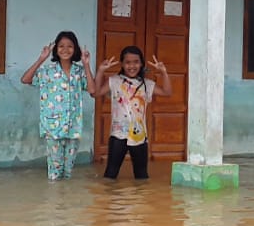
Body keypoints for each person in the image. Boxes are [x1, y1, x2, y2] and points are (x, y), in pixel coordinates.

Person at [21, 31, 94, 180]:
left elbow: (92, 89)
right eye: (61, 46)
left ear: (75, 49)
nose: (65, 49)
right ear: (56, 49)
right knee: (54, 171)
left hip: (73, 127)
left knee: (68, 172)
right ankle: (54, 201)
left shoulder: (79, 72)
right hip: (53, 127)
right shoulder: (47, 72)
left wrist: (86, 64)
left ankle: (64, 201)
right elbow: (26, 79)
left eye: (70, 46)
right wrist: (41, 58)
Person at [94, 45, 171, 179]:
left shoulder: (147, 84)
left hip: (140, 136)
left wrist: (163, 72)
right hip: (118, 134)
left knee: (142, 176)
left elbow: (167, 92)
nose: (132, 66)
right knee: (110, 174)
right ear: (122, 64)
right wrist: (101, 70)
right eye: (128, 62)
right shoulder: (114, 81)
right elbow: (96, 93)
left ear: (141, 64)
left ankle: (140, 200)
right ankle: (108, 200)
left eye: (136, 62)